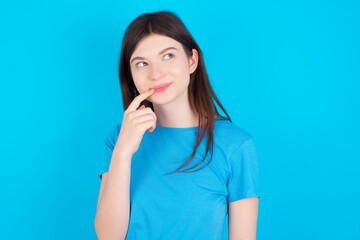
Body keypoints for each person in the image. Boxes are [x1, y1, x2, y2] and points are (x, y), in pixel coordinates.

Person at [94, 10, 260, 240]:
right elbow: (108, 236)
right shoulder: (119, 139)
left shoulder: (236, 146)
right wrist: (122, 152)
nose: (156, 74)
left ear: (192, 61)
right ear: (130, 74)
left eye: (168, 56)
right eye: (142, 63)